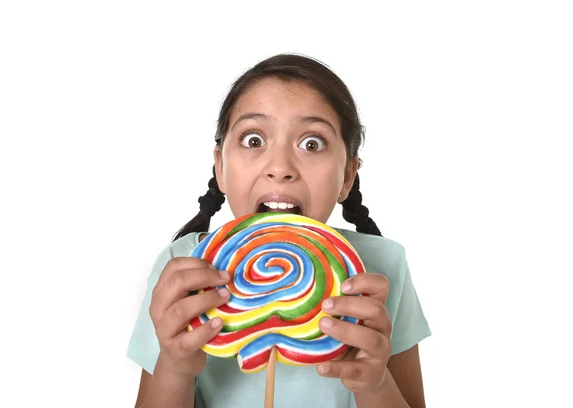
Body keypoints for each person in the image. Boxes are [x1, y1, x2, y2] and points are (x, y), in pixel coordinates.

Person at [127, 53, 431, 408]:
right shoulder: (181, 268)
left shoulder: (383, 266)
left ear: (347, 176)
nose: (280, 168)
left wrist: (373, 382)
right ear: (221, 167)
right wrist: (175, 367)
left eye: (312, 144)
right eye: (254, 140)